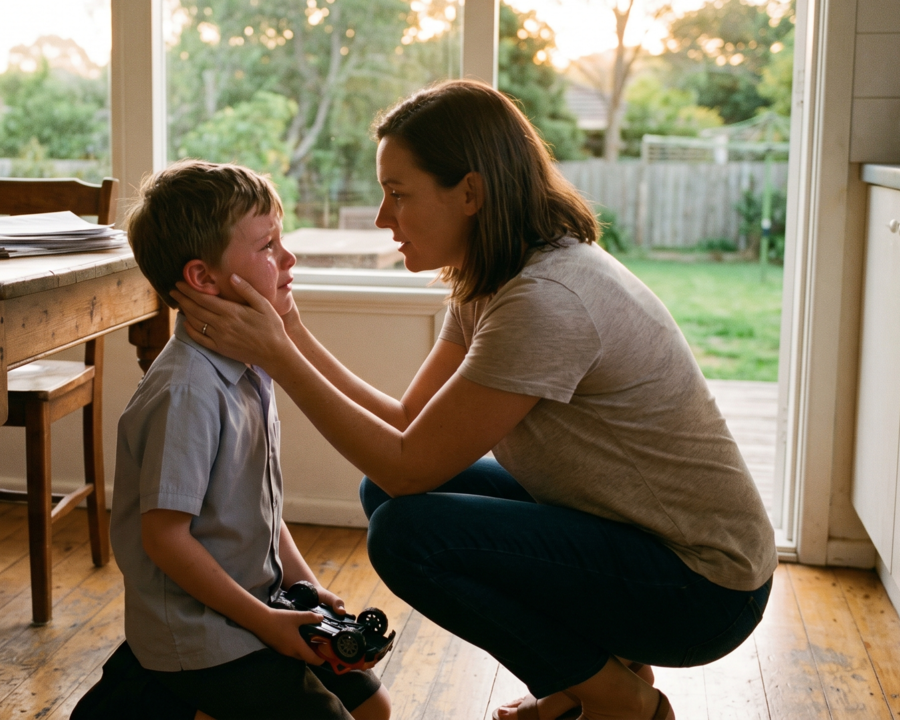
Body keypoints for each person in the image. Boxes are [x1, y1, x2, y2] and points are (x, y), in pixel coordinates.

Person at [169, 80, 777, 720]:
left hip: (703, 587)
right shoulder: (494, 277)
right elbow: (408, 429)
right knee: (386, 496)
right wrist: (290, 332)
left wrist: (277, 355)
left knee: (406, 535)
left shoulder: (546, 300)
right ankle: (592, 681)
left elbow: (411, 463)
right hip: (634, 540)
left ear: (470, 193)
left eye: (398, 194)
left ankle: (616, 701)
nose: (383, 217)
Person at [75, 160, 391, 720]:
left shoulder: (249, 369)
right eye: (269, 245)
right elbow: (165, 539)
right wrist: (266, 622)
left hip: (255, 606)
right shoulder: (188, 392)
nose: (288, 259)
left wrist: (305, 586)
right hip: (205, 635)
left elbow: (260, 509)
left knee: (375, 707)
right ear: (203, 277)